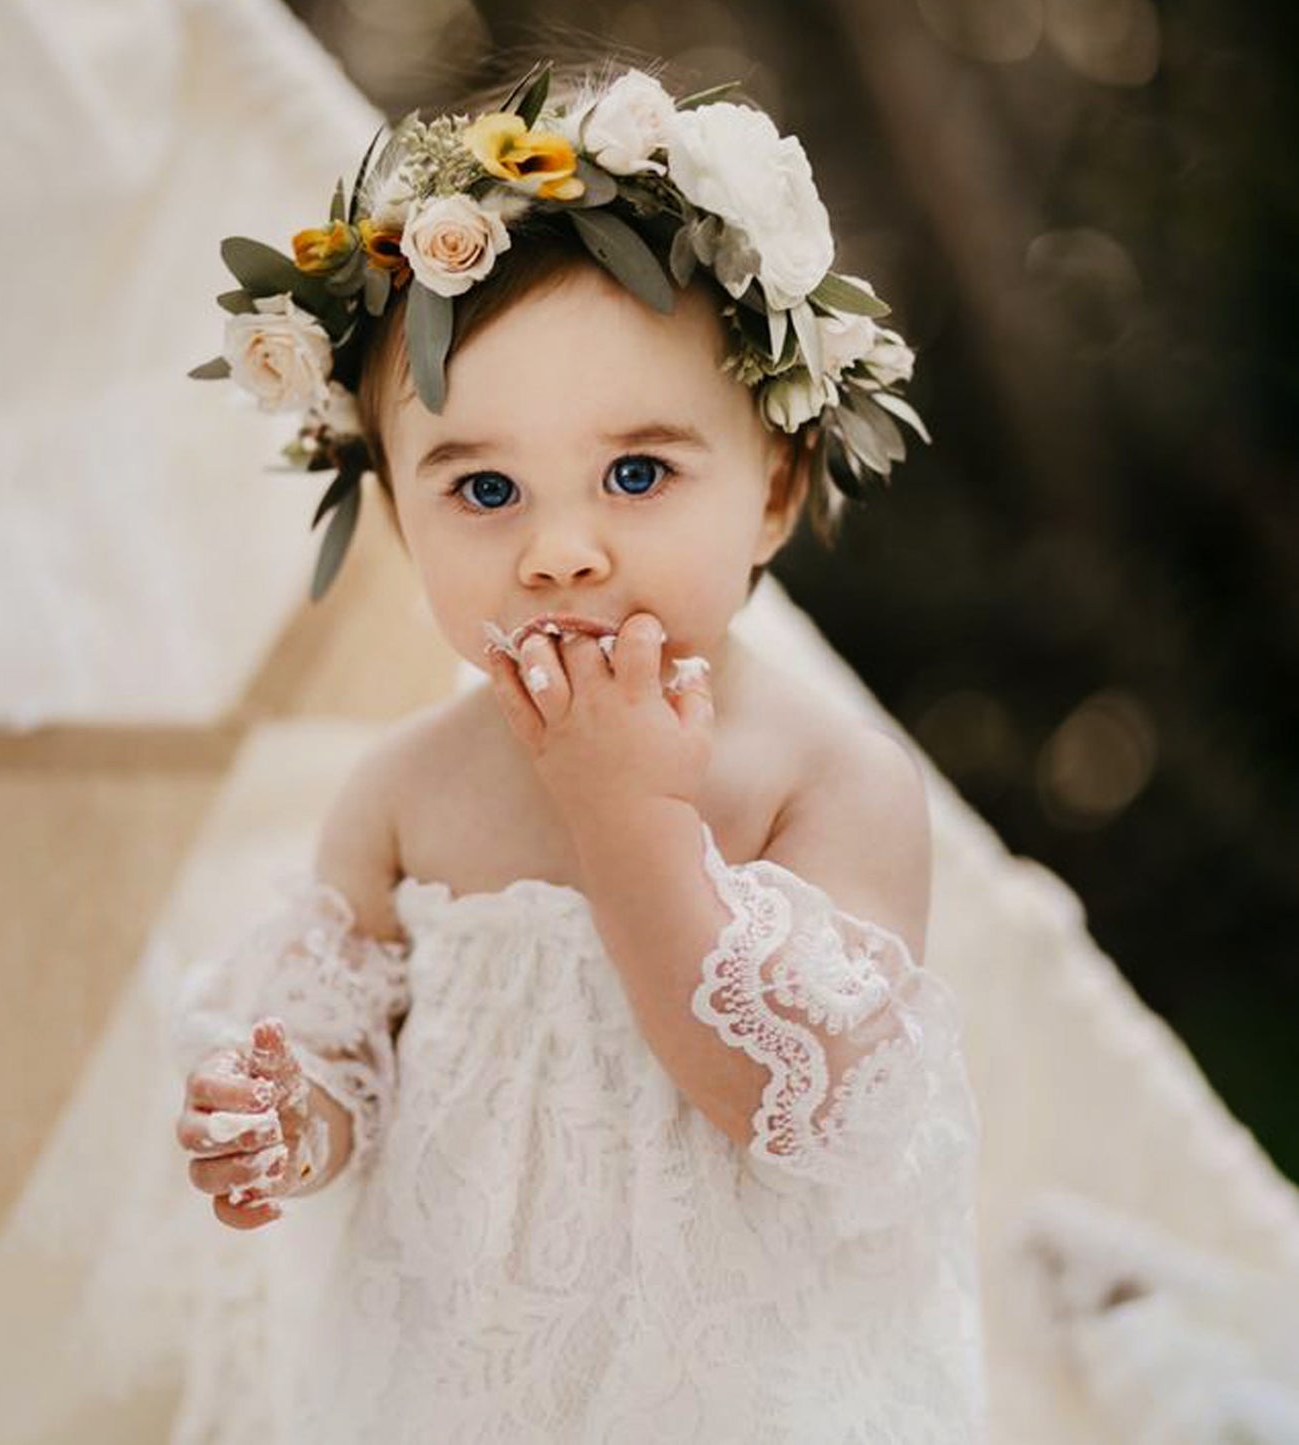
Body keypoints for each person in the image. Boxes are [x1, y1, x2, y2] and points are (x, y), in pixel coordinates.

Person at [172, 56, 986, 1441]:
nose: (559, 551)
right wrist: (282, 1120)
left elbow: (782, 1103)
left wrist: (630, 815)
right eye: (483, 489)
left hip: (734, 1392)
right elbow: (340, 1064)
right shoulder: (405, 794)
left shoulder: (823, 780)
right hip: (464, 1387)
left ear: (773, 491)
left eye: (636, 473)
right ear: (399, 521)